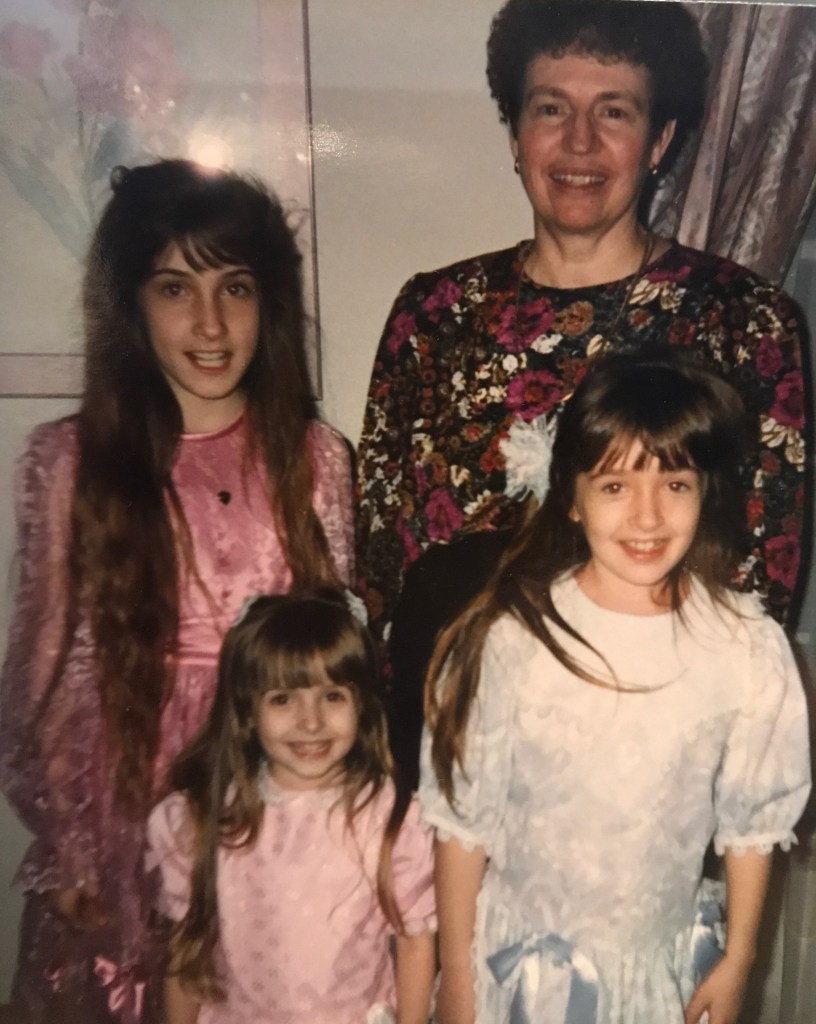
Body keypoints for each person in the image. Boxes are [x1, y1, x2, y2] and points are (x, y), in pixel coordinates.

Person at [355, 0, 808, 779]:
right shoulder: (432, 315)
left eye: (615, 112)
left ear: (660, 141)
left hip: (646, 763)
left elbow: (759, 580)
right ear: (515, 134)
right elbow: (380, 566)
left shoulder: (743, 320)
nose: (579, 143)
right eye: (551, 109)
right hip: (450, 750)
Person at [0, 159, 354, 1023]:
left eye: (234, 287)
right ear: (130, 304)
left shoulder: (315, 458)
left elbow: (340, 660)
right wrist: (72, 847)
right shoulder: (71, 462)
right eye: (173, 288)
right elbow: (38, 677)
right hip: (123, 804)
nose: (209, 322)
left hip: (273, 796)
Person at [419, 352, 811, 1024]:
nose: (648, 516)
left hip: (652, 976)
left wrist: (739, 958)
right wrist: (457, 977)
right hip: (519, 976)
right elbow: (462, 826)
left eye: (675, 484)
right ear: (571, 497)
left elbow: (751, 826)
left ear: (705, 492)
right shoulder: (513, 639)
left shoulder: (744, 648)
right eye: (614, 486)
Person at [147, 590, 437, 1024]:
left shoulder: (389, 816)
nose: (311, 721)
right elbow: (185, 955)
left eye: (333, 696)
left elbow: (415, 942)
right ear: (247, 711)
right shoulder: (200, 819)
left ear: (361, 704)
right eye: (283, 699)